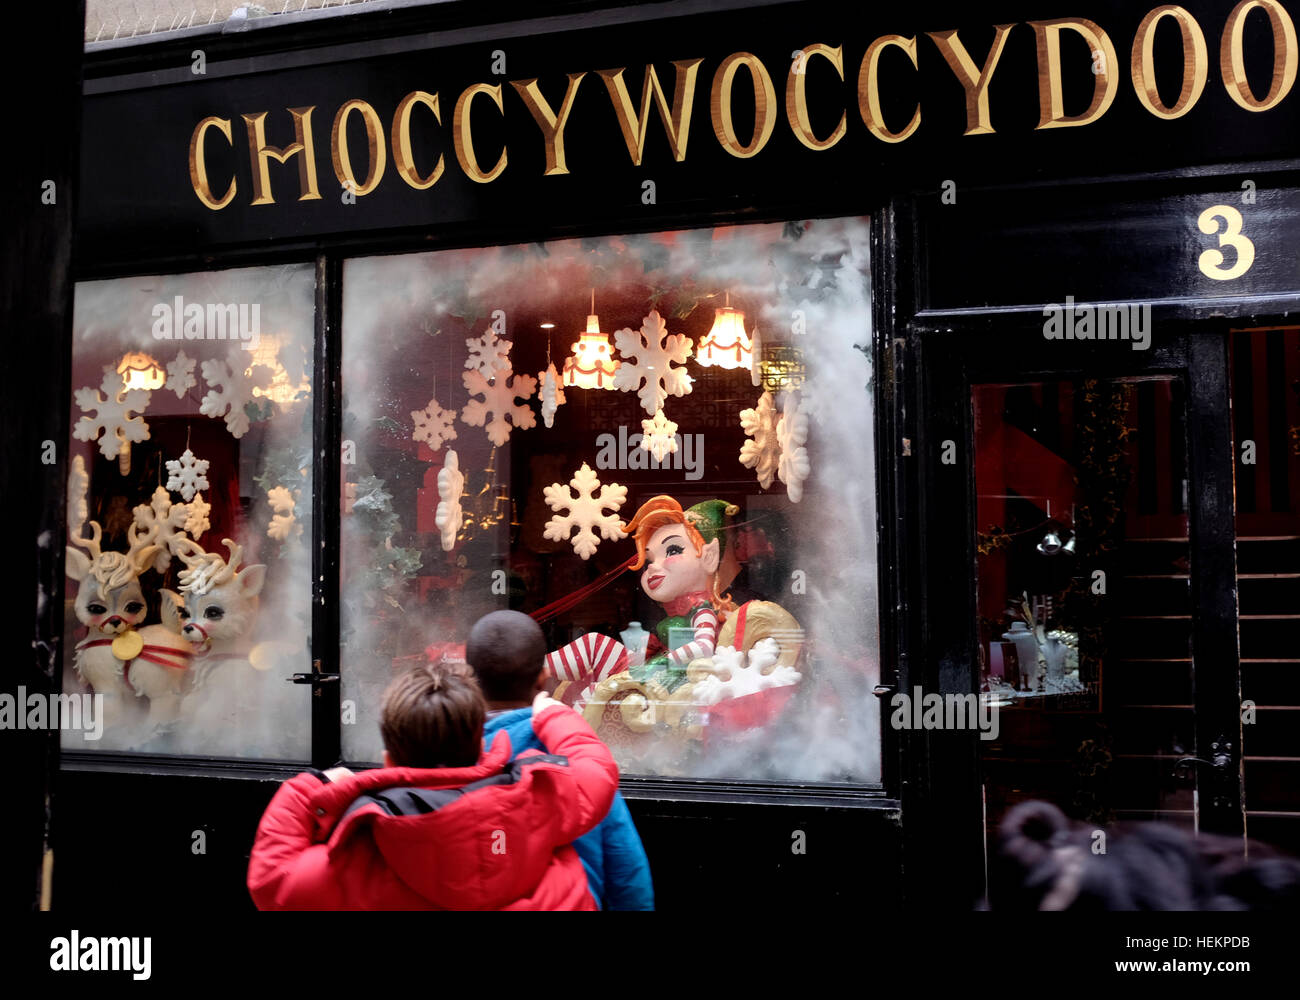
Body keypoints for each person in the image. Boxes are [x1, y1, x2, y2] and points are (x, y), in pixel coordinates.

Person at [246, 660, 618, 910]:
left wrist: (311, 788)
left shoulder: (355, 858)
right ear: (480, 746)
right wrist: (554, 715)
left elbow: (271, 877)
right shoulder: (541, 798)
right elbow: (596, 770)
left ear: (389, 758)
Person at [469, 609, 655, 910]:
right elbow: (628, 876)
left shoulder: (446, 756)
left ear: (471, 678)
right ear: (544, 676)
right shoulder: (583, 762)